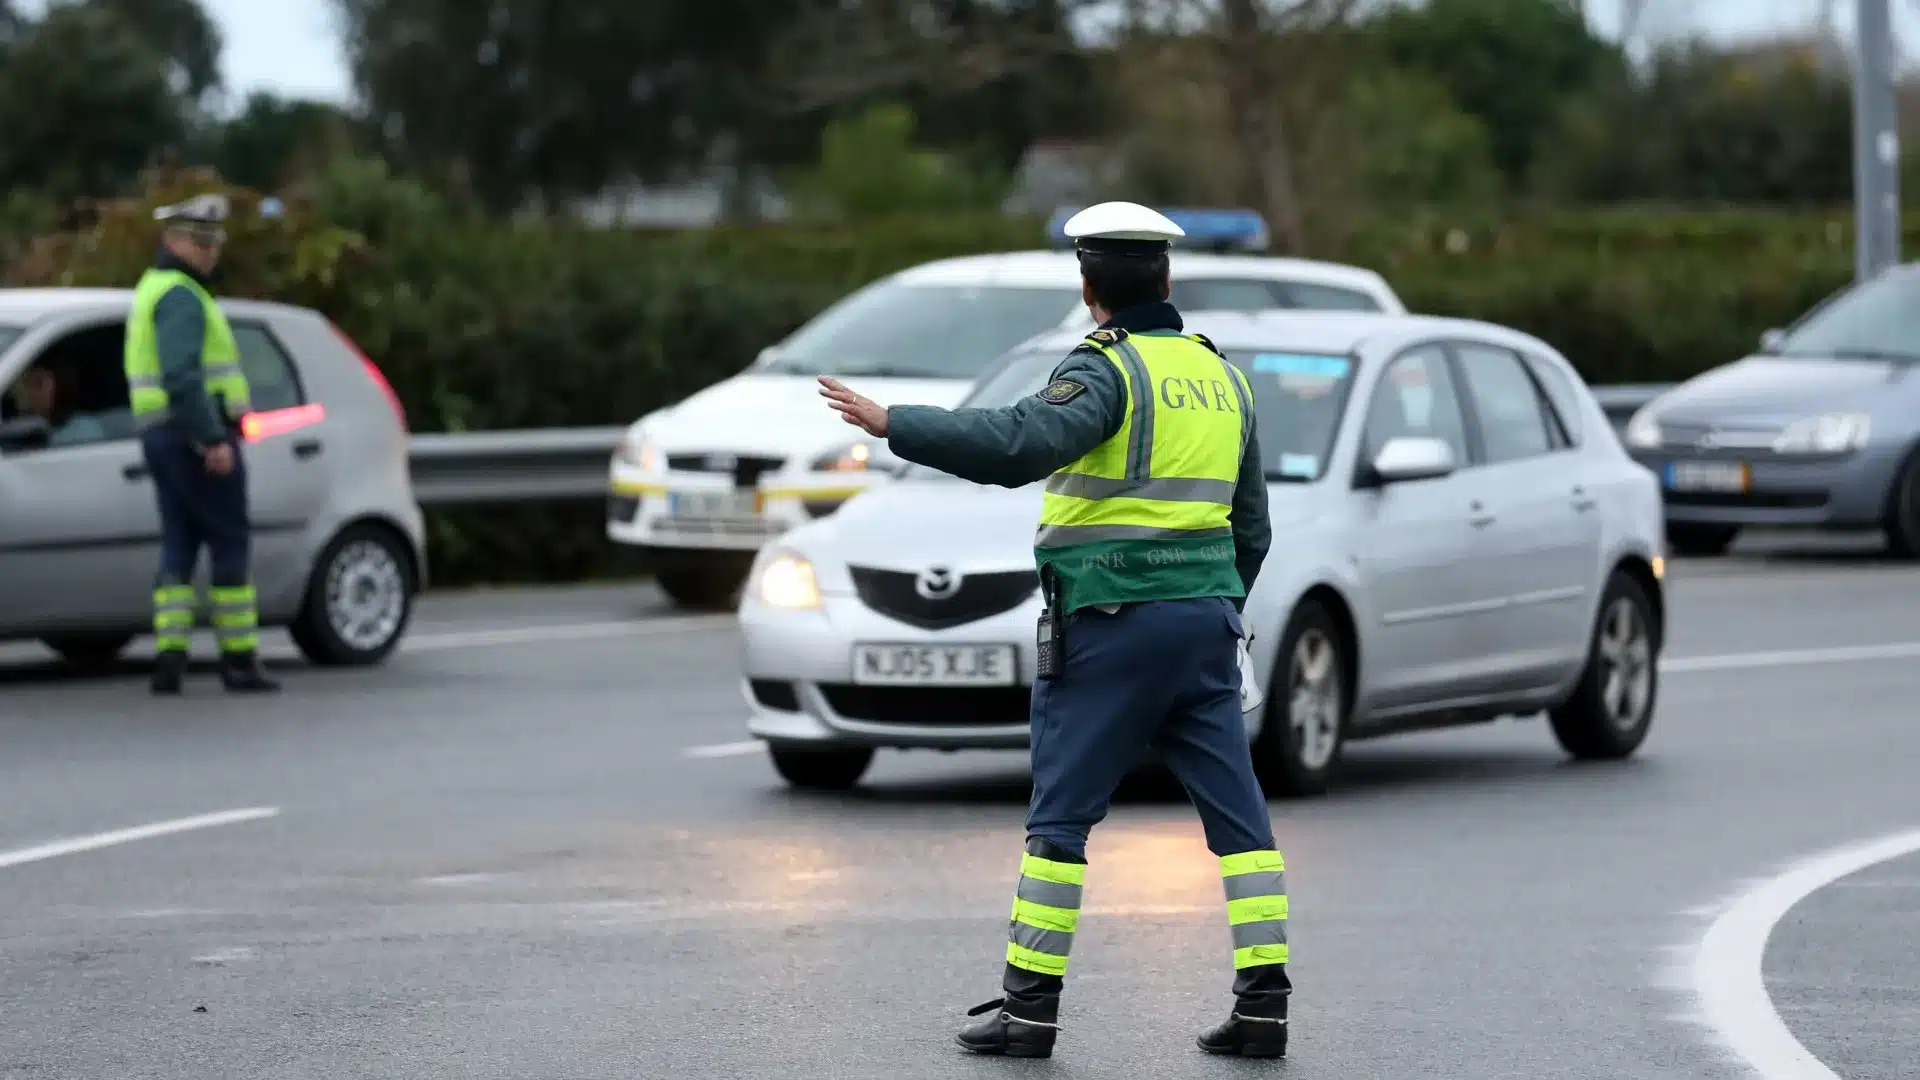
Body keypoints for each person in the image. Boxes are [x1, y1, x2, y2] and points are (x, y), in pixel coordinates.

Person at [818, 201, 1290, 1060]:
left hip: (1110, 625)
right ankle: (1264, 1004)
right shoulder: (1221, 377)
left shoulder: (1105, 372)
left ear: (1087, 286)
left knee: (1061, 818)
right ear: (1167, 279)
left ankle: (1029, 1009)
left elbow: (1020, 443)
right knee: (1239, 817)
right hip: (1204, 625)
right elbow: (1251, 527)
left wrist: (897, 424)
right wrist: (1219, 606)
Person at [124, 193, 279, 696]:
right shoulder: (182, 297)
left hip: (160, 436)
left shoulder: (153, 288)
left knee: (179, 544)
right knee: (230, 540)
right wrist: (212, 437)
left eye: (214, 241)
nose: (211, 250)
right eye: (200, 240)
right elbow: (181, 376)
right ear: (173, 241)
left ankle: (170, 656)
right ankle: (239, 661)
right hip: (192, 434)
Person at [11, 357, 109, 448]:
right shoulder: (21, 429)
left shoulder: (83, 430)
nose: (29, 391)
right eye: (26, 383)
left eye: (38, 383)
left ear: (60, 385)